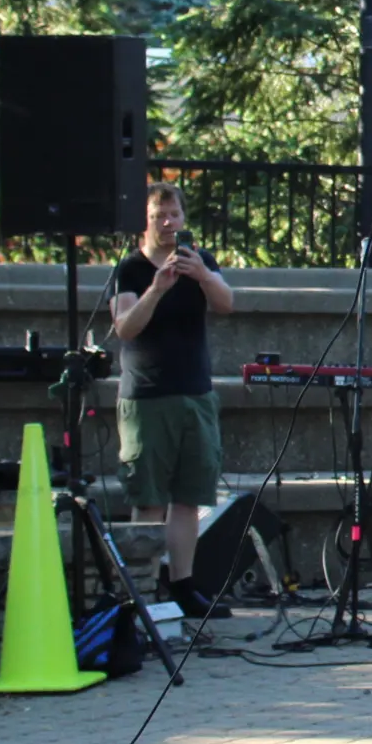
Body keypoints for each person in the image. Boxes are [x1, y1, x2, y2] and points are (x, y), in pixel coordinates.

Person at [110, 183, 233, 616]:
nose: (167, 224)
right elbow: (125, 326)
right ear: (145, 221)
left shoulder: (200, 262)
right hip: (147, 395)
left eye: (174, 215)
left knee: (189, 496)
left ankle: (182, 585)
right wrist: (158, 288)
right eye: (158, 216)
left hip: (195, 392)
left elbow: (226, 304)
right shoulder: (131, 269)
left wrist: (201, 274)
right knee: (149, 498)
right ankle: (140, 588)